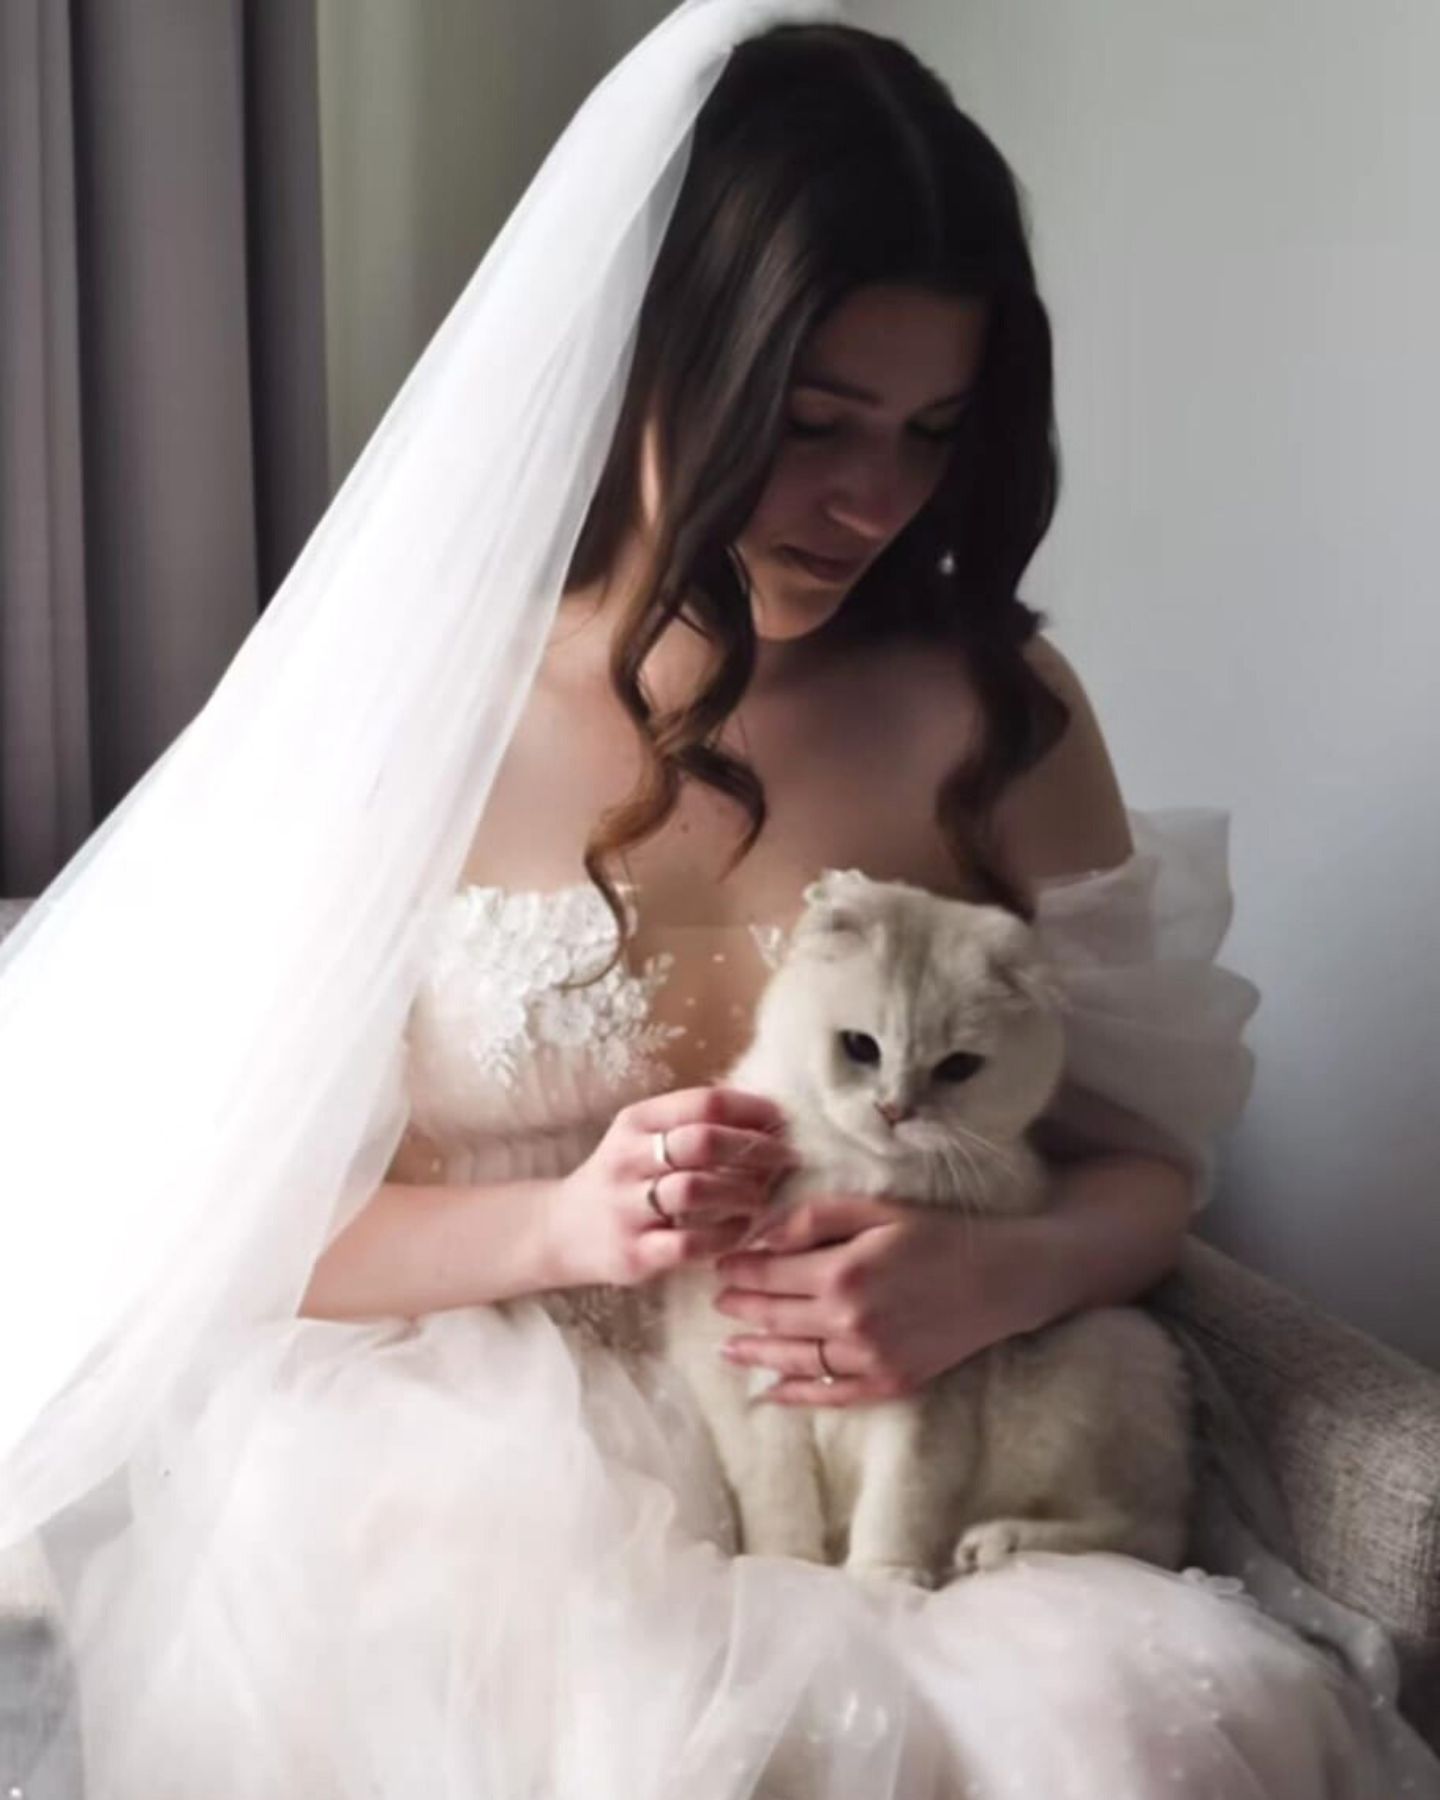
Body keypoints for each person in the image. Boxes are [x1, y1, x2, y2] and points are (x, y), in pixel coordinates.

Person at [4, 5, 1437, 1796]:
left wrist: (1001, 1273)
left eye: (929, 432)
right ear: (651, 366)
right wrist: (556, 1235)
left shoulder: (992, 716)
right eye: (813, 420)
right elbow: (220, 1235)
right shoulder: (418, 718)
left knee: (1124, 1737)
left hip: (898, 1448)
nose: (869, 500)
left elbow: (1147, 1160)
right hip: (476, 1438)